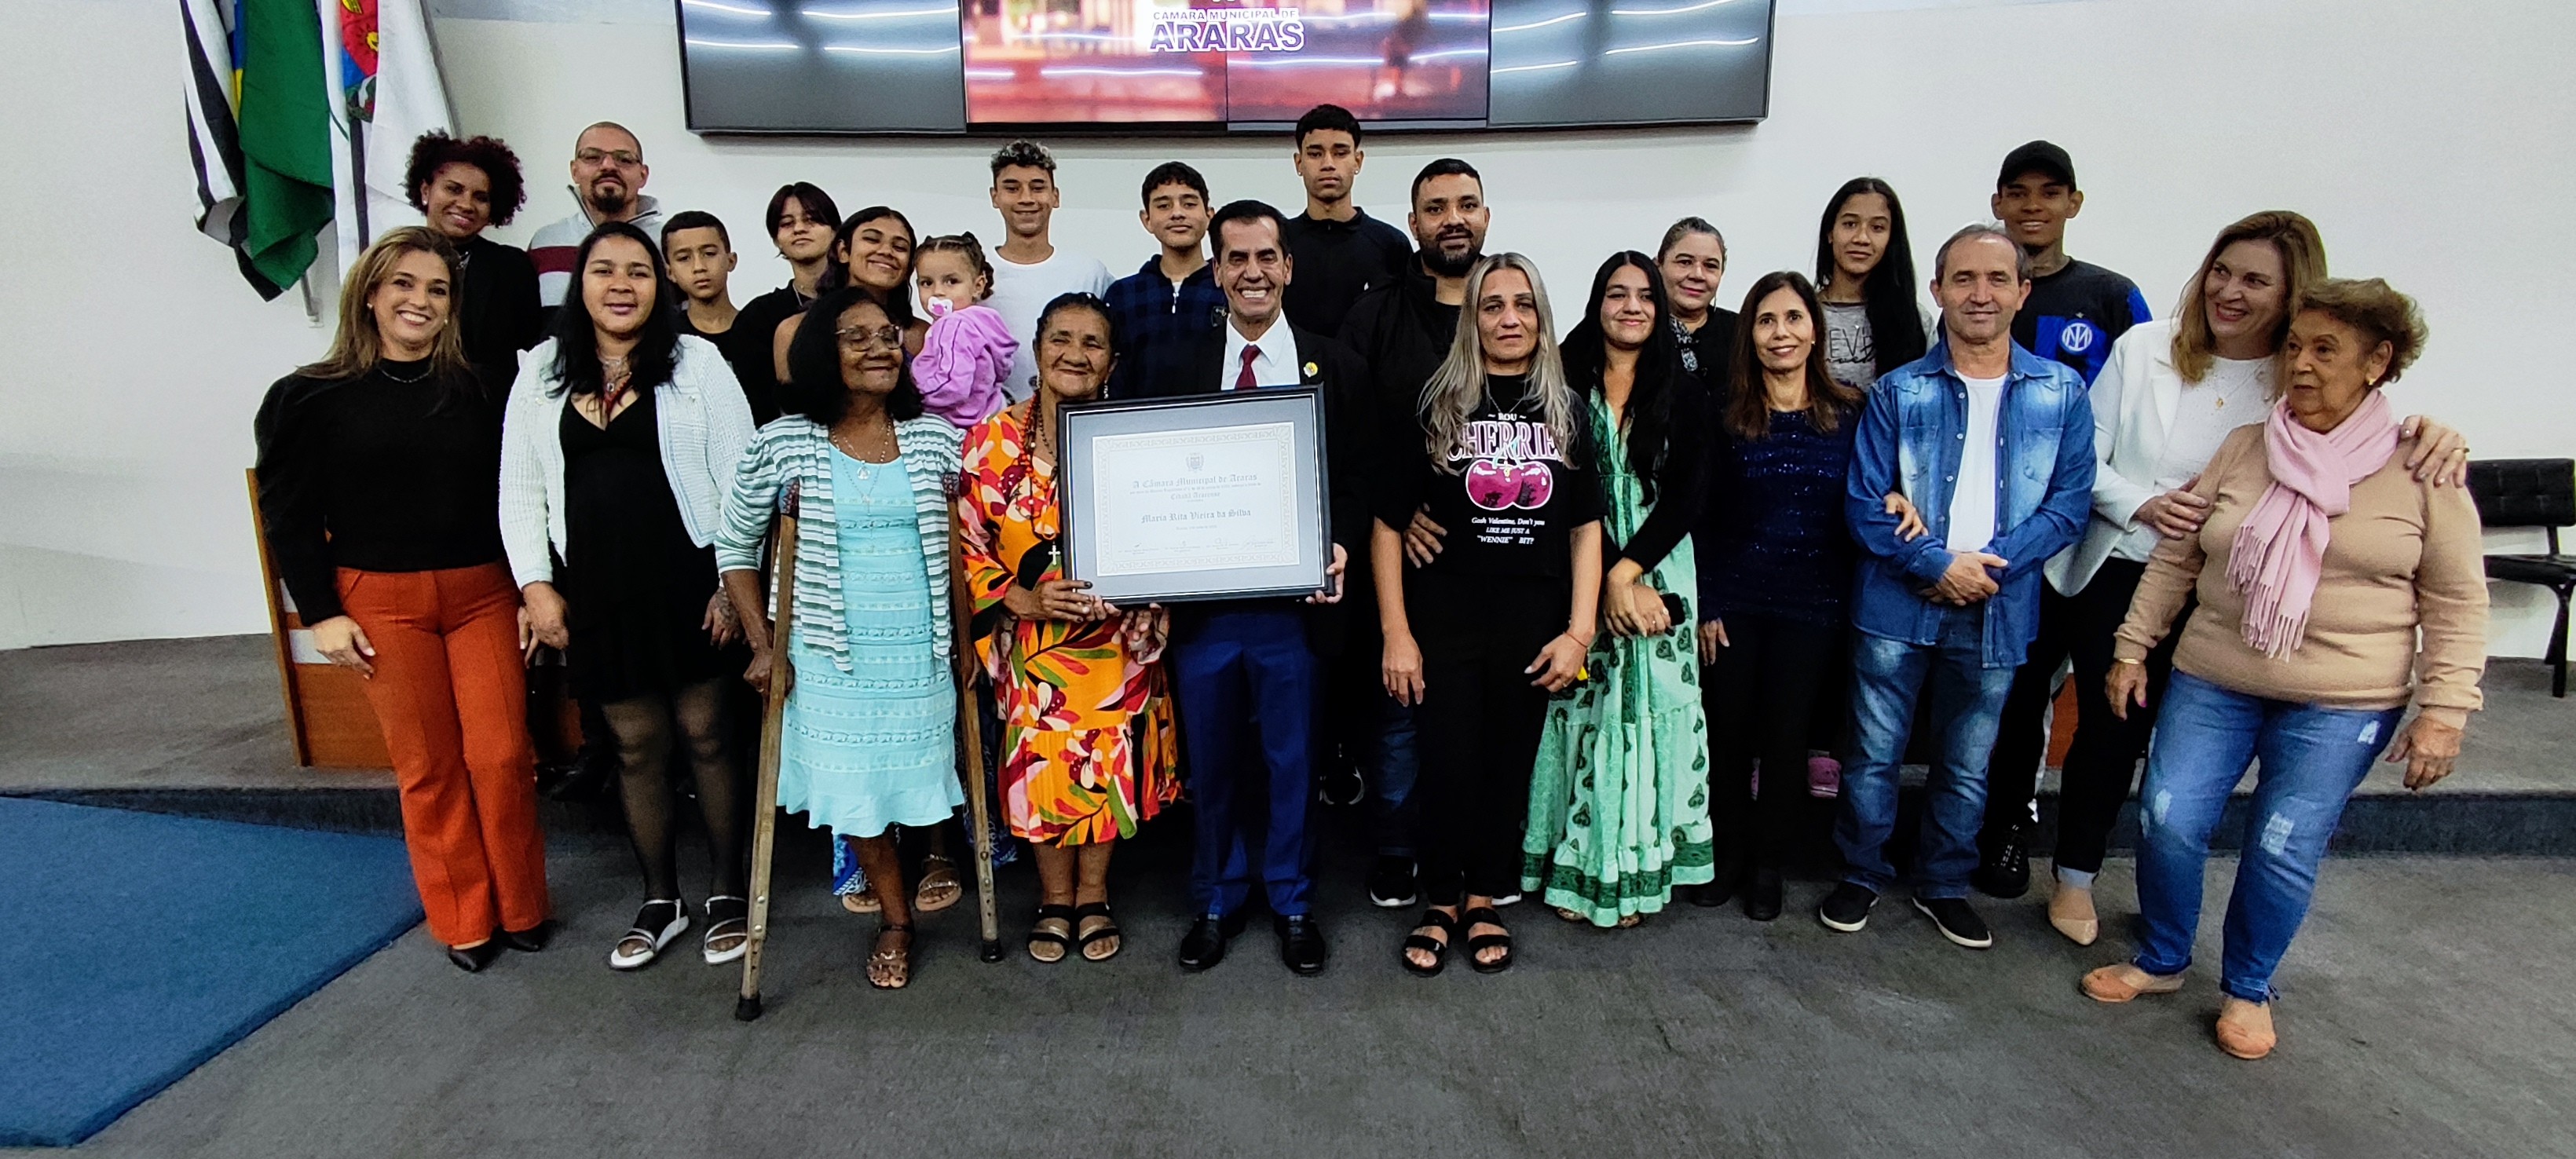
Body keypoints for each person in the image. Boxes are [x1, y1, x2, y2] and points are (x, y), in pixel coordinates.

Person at [1977, 213, 2472, 938]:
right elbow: (2085, 453)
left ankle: (2084, 877)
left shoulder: (2294, 381)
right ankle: (2014, 840)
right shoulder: (2146, 347)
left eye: (2254, 281)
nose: (2230, 291)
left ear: (2291, 294)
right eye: (2222, 271)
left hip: (2216, 588)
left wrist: (2436, 430)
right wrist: (2143, 504)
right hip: (2102, 557)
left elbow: (2368, 432)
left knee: (2125, 736)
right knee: (2027, 703)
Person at [2081, 278, 2486, 1062]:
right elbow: (2179, 554)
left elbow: (2458, 600)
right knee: (2167, 814)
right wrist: (2133, 645)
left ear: (2377, 362)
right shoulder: (2245, 447)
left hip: (2343, 698)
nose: (2300, 364)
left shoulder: (2421, 468)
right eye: (2294, 346)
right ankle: (2163, 957)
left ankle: (2247, 987)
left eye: (2324, 350)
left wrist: (2445, 708)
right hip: (2213, 674)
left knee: (2283, 839)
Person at [254, 227, 551, 974]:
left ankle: (521, 905)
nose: (421, 301)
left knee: (504, 755)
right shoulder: (307, 397)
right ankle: (464, 916)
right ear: (371, 294)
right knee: (429, 766)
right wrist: (320, 612)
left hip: (484, 592)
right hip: (378, 602)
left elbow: (522, 494)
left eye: (438, 290)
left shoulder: (486, 387)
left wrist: (529, 586)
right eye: (404, 285)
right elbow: (286, 514)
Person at [1819, 224, 2092, 950]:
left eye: (1997, 279)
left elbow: (2069, 505)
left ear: (2022, 292)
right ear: (1937, 291)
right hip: (1894, 606)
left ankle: (1943, 884)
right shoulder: (1897, 392)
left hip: (2000, 609)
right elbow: (1863, 502)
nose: (1980, 293)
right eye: (1963, 279)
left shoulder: (2060, 394)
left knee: (1968, 764)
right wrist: (1938, 565)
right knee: (1873, 754)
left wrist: (1986, 568)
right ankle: (1861, 873)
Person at [500, 221, 756, 971]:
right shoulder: (542, 370)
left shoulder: (697, 363)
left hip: (691, 582)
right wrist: (536, 586)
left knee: (708, 736)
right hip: (598, 593)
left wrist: (729, 587)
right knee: (635, 747)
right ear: (580, 283)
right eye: (605, 271)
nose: (622, 285)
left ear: (660, 284)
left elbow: (744, 482)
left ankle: (729, 892)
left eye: (639, 272)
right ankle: (660, 897)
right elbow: (519, 490)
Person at [1137, 200, 1368, 975]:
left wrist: (1336, 542)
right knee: (1214, 763)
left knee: (1292, 761)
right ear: (1214, 271)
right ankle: (1216, 896)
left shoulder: (1334, 366)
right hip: (1205, 613)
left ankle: (1293, 900)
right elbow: (1155, 482)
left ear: (1288, 266)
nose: (1252, 272)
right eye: (1235, 259)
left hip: (1295, 613)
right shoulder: (1176, 367)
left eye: (1266, 256)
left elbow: (1362, 483)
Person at [716, 287, 968, 990]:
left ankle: (914, 884)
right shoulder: (781, 443)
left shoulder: (936, 441)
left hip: (917, 651)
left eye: (888, 334)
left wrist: (971, 640)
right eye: (856, 337)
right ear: (821, 354)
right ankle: (896, 917)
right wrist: (765, 645)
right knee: (853, 793)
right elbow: (734, 545)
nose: (880, 347)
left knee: (909, 786)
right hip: (827, 655)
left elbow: (969, 550)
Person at [1376, 254, 1603, 975]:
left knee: (1509, 763)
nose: (1510, 319)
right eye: (1493, 306)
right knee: (1447, 762)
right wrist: (1397, 634)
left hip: (1532, 624)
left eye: (1524, 305)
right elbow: (1387, 526)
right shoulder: (1434, 403)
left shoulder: (1569, 407)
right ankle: (1440, 899)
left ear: (1542, 317)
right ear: (1471, 318)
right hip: (1443, 620)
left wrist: (1580, 631)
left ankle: (1483, 897)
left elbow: (1585, 529)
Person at [958, 293, 1180, 963]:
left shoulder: (1134, 436)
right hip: (1031, 644)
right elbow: (964, 541)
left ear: (1112, 360)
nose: (1074, 354)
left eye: (1091, 343)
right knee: (1043, 769)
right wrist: (1018, 598)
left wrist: (1152, 594)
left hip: (1114, 644)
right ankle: (1054, 900)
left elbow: (1169, 528)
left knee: (1105, 764)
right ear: (1037, 348)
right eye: (1061, 338)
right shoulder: (991, 440)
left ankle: (1094, 896)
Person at [1522, 252, 1711, 927]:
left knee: (1647, 711)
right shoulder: (1562, 378)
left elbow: (1691, 494)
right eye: (1616, 294)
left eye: (1644, 297)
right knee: (1583, 711)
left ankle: (1633, 869)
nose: (1631, 307)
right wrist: (1599, 579)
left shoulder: (1683, 387)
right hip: (1579, 563)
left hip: (1655, 568)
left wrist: (1627, 575)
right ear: (1596, 303)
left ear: (1660, 311)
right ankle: (1578, 862)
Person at [1334, 156, 1491, 909]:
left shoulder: (1512, 304)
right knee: (1400, 708)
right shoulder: (1378, 314)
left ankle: (1479, 852)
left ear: (1486, 217)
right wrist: (1401, 511)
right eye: (1436, 207)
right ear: (1413, 222)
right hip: (1401, 548)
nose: (1451, 218)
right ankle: (1397, 848)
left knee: (1485, 711)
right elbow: (1354, 432)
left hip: (1500, 552)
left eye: (1466, 204)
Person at [1695, 271, 1872, 921]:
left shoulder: (1851, 412)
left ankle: (1770, 865)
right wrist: (1708, 600)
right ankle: (1728, 857)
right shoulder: (1724, 412)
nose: (1781, 333)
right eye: (1767, 321)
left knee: (1788, 739)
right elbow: (1701, 516)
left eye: (1794, 319)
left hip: (1816, 607)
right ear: (1750, 334)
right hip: (1736, 604)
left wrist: (1900, 502)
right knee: (1730, 738)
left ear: (1815, 331)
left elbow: (1877, 492)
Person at [1993, 141, 2151, 386]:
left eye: (2050, 193)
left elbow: (2147, 386)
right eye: (2017, 194)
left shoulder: (2114, 296)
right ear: (1998, 204)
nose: (2033, 206)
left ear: (2074, 203)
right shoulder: (1975, 297)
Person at [404, 131, 541, 394]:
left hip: (487, 416)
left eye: (481, 197)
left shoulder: (512, 267)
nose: (466, 204)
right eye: (453, 189)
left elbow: (533, 342)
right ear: (425, 190)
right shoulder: (390, 260)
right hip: (402, 406)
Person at [982, 141, 1112, 402]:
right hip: (994, 424)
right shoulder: (975, 274)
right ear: (995, 197)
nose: (1026, 199)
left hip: (1072, 417)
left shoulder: (1089, 272)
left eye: (1038, 187)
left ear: (1056, 196)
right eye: (1012, 188)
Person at [1280, 104, 1411, 340]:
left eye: (1340, 152)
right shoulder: (1278, 241)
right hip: (1295, 374)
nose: (1328, 164)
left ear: (1358, 161)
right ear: (1299, 163)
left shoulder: (1391, 244)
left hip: (1371, 374)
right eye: (1315, 153)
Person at [1103, 161, 1223, 396]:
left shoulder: (1228, 289)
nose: (1177, 213)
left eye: (1189, 204)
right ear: (1146, 219)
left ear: (1210, 216)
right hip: (1137, 423)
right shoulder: (1123, 295)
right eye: (1164, 205)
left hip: (1214, 422)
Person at [730, 182, 843, 423]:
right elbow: (757, 403)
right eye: (787, 223)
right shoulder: (758, 317)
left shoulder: (859, 305)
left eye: (812, 219)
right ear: (777, 239)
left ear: (836, 232)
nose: (800, 229)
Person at [529, 122, 663, 316]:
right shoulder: (545, 242)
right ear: (575, 171)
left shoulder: (669, 243)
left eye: (624, 159)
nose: (608, 166)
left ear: (643, 175)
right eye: (593, 157)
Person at [775, 207, 923, 382]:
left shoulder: (922, 335)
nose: (886, 251)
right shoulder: (793, 330)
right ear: (843, 252)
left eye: (899, 247)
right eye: (871, 239)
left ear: (909, 269)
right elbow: (791, 404)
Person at [1812, 177, 1928, 392]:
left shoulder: (1914, 318)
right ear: (1830, 232)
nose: (1862, 238)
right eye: (1850, 224)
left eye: (1877, 227)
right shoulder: (1802, 315)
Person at [662, 210, 771, 414]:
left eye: (709, 254)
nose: (699, 267)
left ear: (731, 261)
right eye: (684, 258)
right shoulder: (665, 337)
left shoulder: (763, 329)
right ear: (670, 272)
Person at [910, 232, 1016, 427]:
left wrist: (910, 397)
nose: (938, 292)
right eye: (927, 283)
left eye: (951, 281)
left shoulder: (953, 326)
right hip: (990, 415)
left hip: (958, 427)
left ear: (978, 286)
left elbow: (952, 385)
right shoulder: (983, 323)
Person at [1656, 217, 1736, 389]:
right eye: (1685, 262)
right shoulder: (1636, 329)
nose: (1698, 275)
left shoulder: (1742, 333)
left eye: (1711, 266)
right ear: (1658, 265)